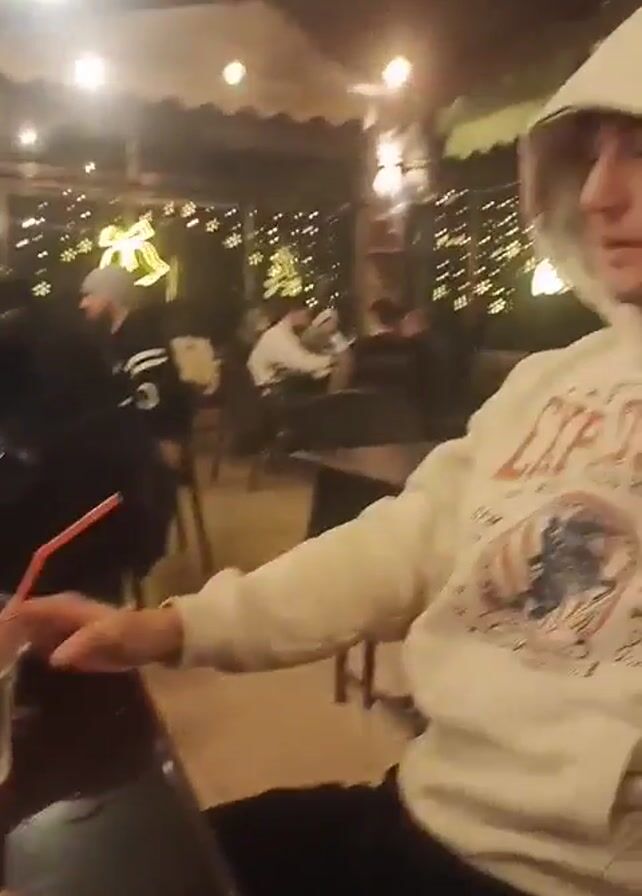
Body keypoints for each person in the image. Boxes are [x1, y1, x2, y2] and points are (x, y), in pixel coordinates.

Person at [15, 12, 642, 894]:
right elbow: (397, 544)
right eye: (591, 155)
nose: (599, 194)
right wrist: (171, 626)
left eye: (640, 150)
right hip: (421, 811)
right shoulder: (549, 380)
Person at [0, 275, 174, 601]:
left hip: (47, 561)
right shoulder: (80, 342)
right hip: (109, 537)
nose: (83, 304)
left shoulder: (26, 351)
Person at [80, 267, 191, 467]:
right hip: (130, 443)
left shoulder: (139, 336)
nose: (83, 304)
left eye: (90, 295)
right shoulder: (116, 336)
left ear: (108, 296)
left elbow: (154, 395)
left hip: (144, 450)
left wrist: (165, 440)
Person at [247, 299, 331, 394]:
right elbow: (303, 363)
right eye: (307, 315)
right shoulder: (278, 336)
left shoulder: (285, 332)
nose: (309, 321)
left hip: (279, 386)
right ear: (294, 313)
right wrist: (331, 359)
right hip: (273, 392)